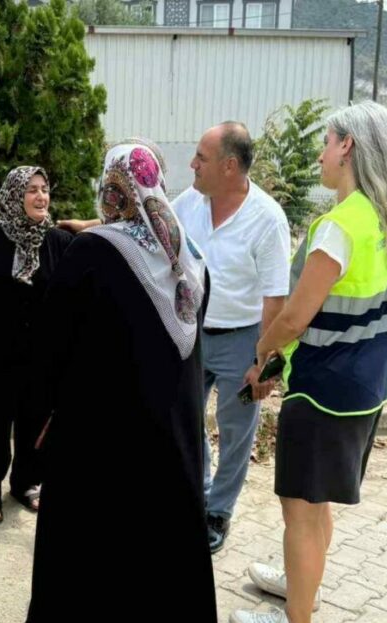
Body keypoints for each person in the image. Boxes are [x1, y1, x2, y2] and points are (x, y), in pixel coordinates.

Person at [0, 142, 217, 623]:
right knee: (147, 533)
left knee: (79, 530)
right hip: (170, 430)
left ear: (113, 188)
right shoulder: (188, 254)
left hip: (98, 427)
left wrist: (40, 410)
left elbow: (53, 340)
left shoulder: (95, 251)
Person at [230, 100, 387, 623]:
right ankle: (302, 589)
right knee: (317, 505)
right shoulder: (383, 218)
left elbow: (294, 316)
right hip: (361, 389)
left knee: (300, 508)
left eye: (327, 140)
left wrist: (260, 355)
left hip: (322, 392)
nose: (321, 152)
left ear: (348, 148)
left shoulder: (338, 226)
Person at [60, 123, 292, 554]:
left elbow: (275, 299)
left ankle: (218, 511)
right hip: (189, 335)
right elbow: (146, 213)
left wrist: (265, 362)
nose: (192, 164)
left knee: (236, 429)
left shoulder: (267, 218)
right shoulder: (190, 203)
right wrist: (91, 226)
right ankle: (195, 494)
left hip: (243, 339)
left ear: (228, 165)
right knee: (186, 420)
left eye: (201, 158)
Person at [0, 167, 73, 525]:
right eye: (31, 190)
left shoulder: (57, 242)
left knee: (32, 424)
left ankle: (25, 483)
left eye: (45, 189)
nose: (41, 197)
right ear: (13, 195)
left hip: (39, 357)